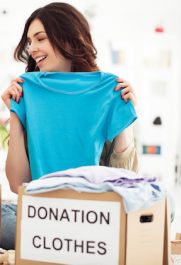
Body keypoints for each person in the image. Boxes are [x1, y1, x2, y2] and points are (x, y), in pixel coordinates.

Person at [0, 2, 137, 250]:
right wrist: (16, 115)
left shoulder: (108, 89)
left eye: (40, 38)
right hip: (42, 213)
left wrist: (124, 116)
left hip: (91, 214)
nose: (32, 49)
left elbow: (127, 182)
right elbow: (18, 184)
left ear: (69, 37)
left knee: (160, 210)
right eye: (30, 42)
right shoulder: (28, 90)